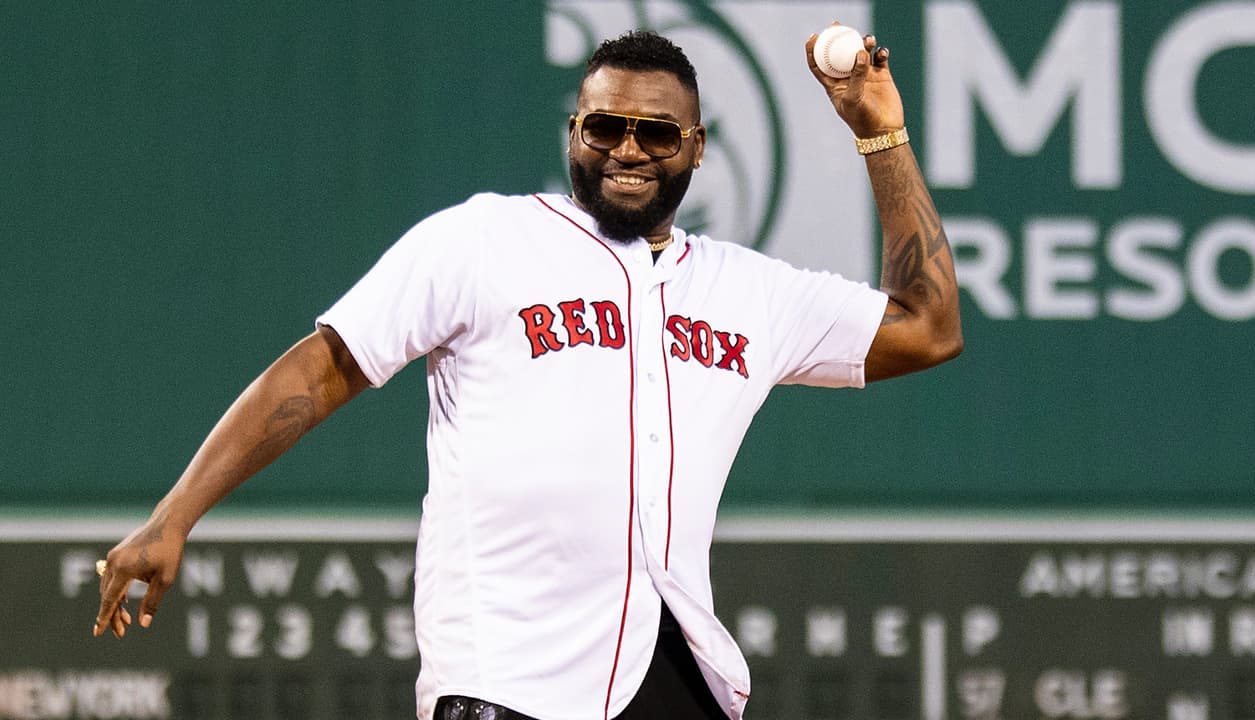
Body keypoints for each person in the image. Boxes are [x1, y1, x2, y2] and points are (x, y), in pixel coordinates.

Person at [93, 27, 961, 720]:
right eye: (604, 126)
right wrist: (175, 516)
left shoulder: (749, 292)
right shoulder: (485, 240)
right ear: (574, 132)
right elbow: (322, 369)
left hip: (674, 675)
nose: (628, 148)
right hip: (509, 681)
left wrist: (878, 132)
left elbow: (928, 329)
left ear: (697, 148)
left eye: (657, 132)